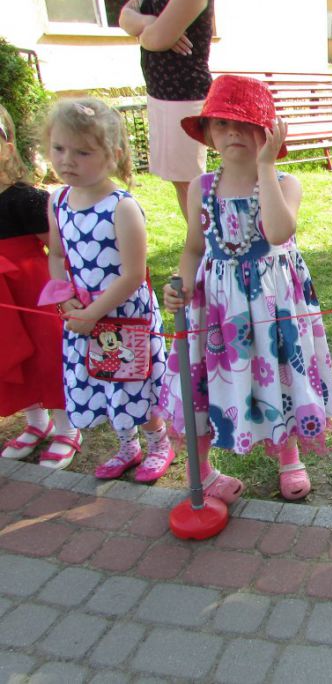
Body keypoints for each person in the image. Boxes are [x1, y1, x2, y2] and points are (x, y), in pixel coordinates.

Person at [158, 75, 332, 503]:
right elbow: (193, 248)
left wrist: (267, 166)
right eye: (221, 123)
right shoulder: (201, 188)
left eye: (245, 124)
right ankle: (202, 471)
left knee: (280, 373)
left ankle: (289, 456)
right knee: (204, 380)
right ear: (207, 132)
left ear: (269, 132)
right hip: (217, 308)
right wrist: (181, 284)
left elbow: (277, 232)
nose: (232, 132)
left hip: (274, 307)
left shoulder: (285, 184)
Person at [43, 98, 172, 482]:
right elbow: (56, 256)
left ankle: (158, 443)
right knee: (102, 382)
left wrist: (92, 313)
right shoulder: (57, 201)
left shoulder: (121, 208)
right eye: (59, 148)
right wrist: (66, 298)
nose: (67, 160)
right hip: (83, 316)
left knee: (131, 383)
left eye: (82, 152)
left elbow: (132, 275)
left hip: (123, 316)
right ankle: (127, 446)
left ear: (113, 155)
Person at [0, 104, 81, 469]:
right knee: (11, 355)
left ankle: (67, 427)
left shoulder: (25, 198)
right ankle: (36, 421)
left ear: (7, 147)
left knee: (46, 356)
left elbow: (58, 250)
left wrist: (67, 291)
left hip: (32, 290)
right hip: (3, 299)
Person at [119, 0, 213, 217]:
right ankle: (198, 235)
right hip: (160, 92)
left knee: (190, 182)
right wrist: (151, 22)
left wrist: (147, 31)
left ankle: (208, 236)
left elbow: (156, 39)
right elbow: (124, 18)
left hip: (184, 92)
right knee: (180, 180)